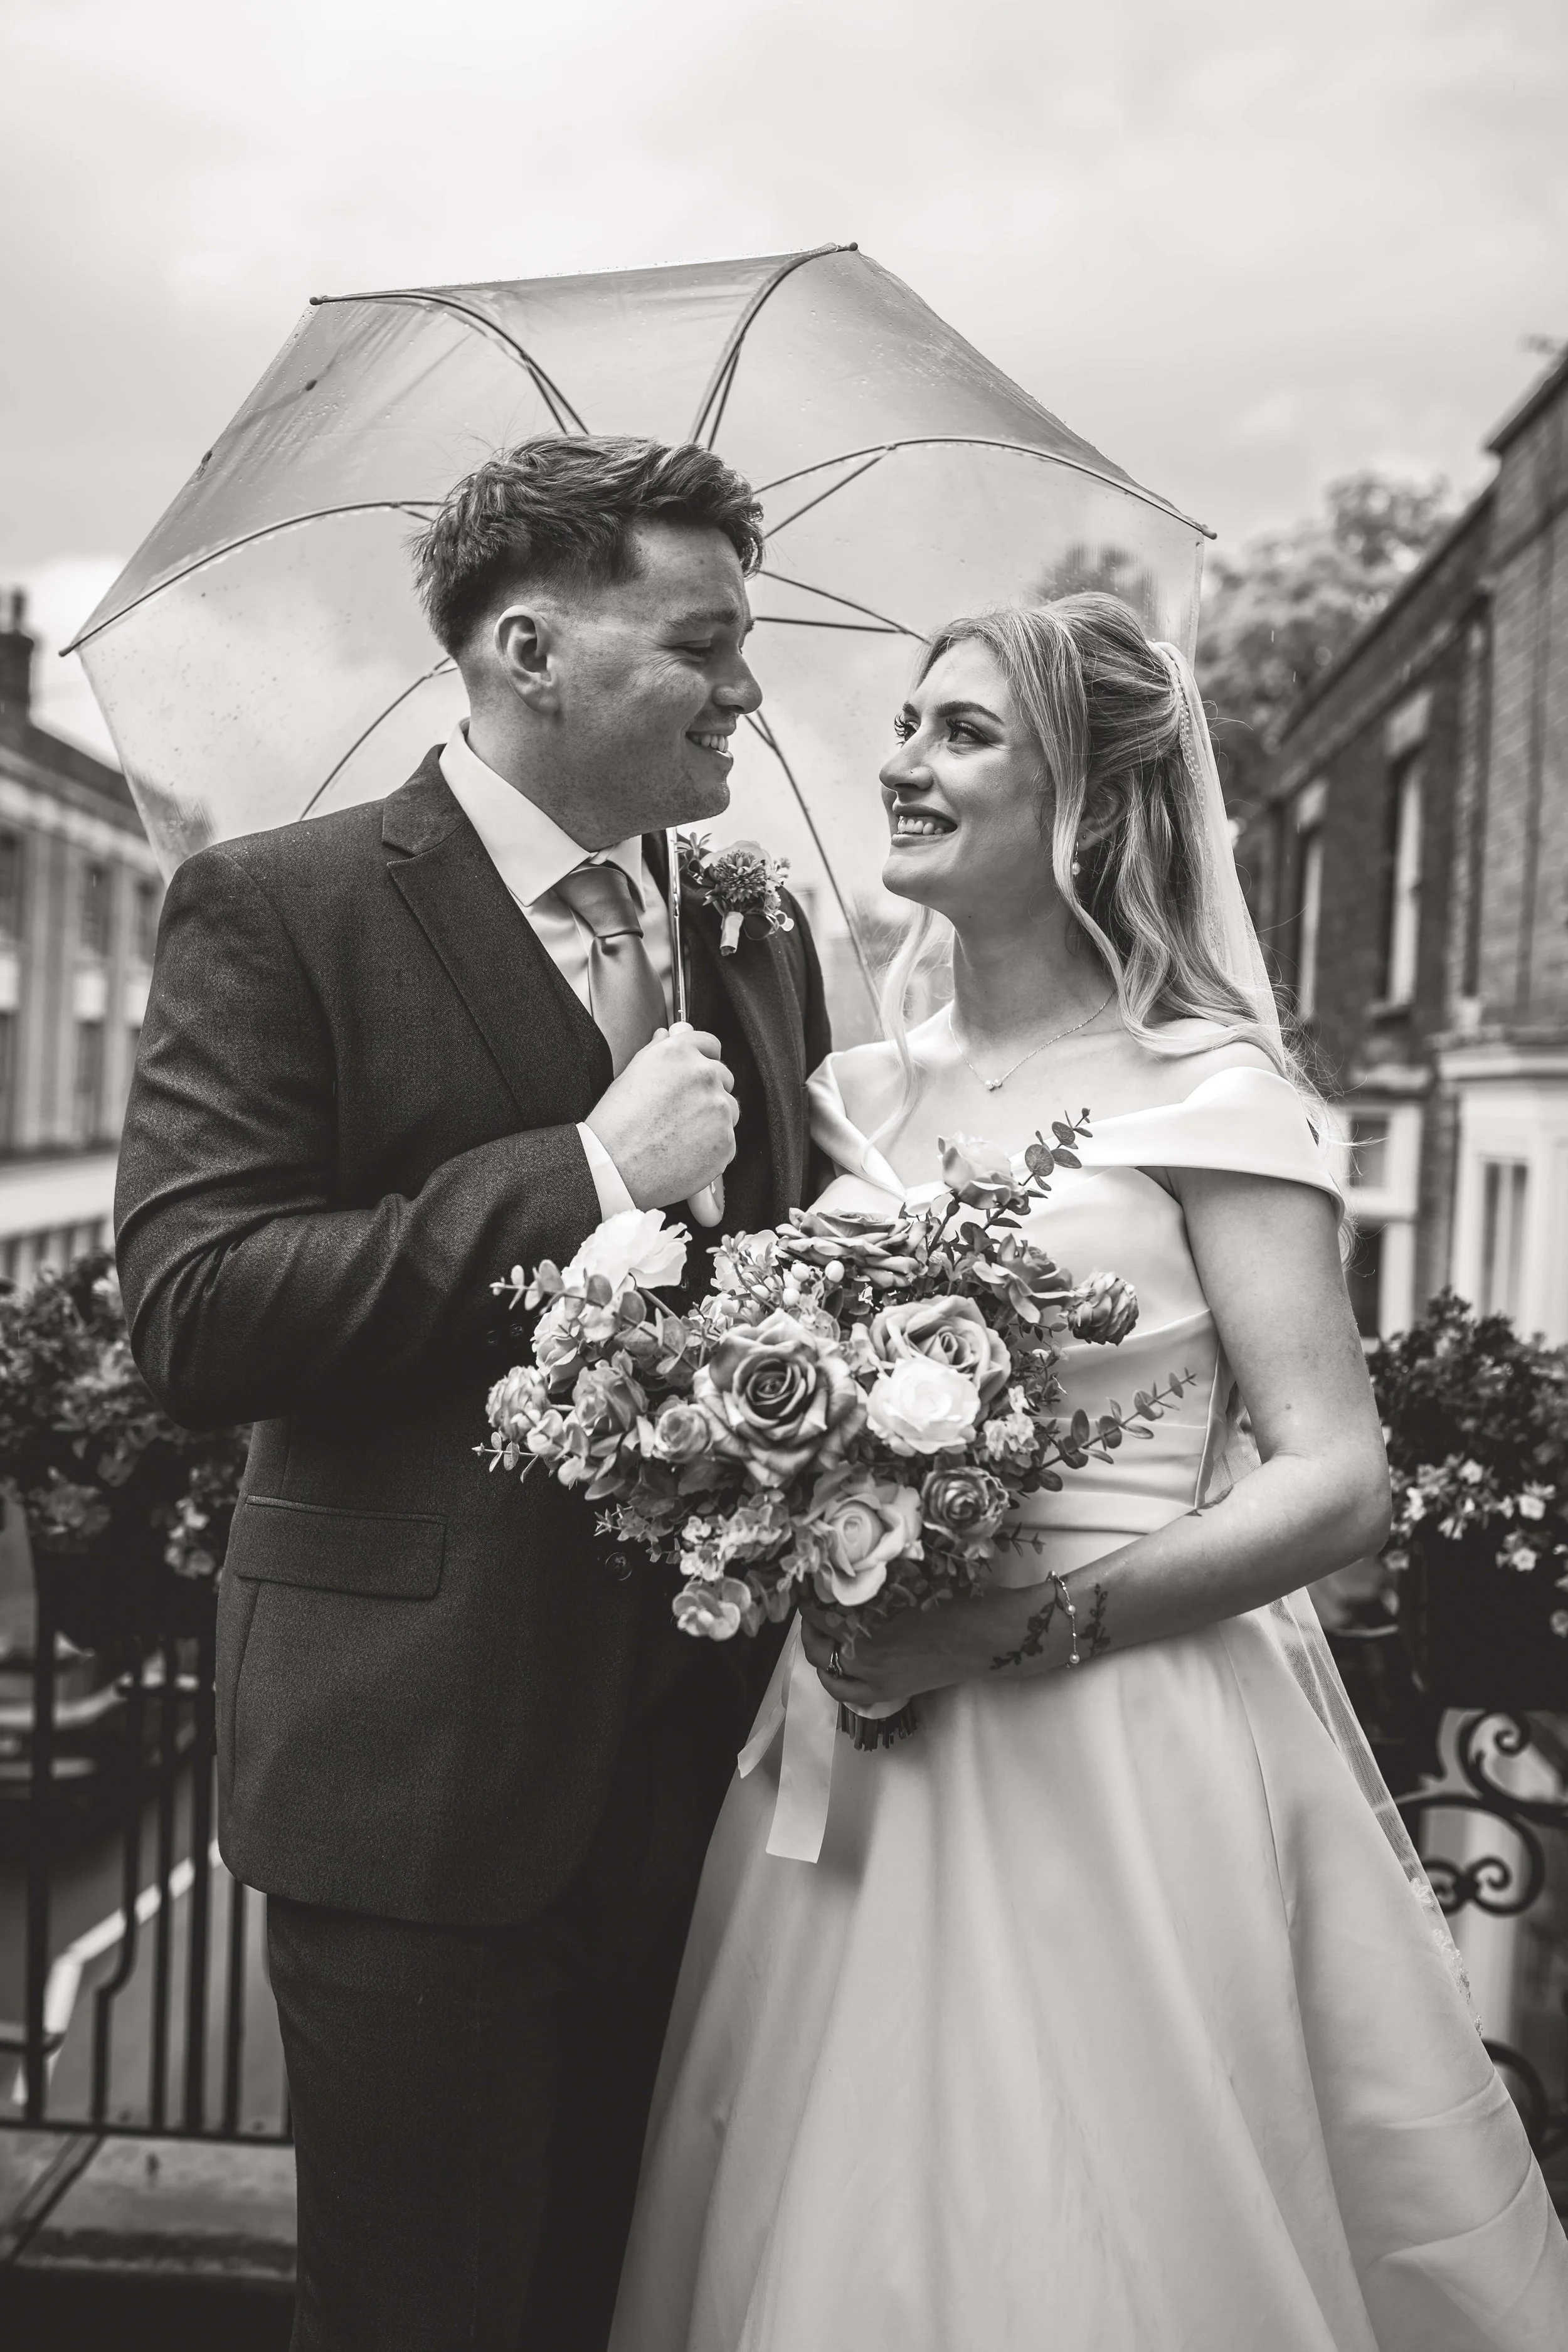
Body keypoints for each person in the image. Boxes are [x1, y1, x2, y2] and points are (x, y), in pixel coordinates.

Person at [609, 593, 1568, 2350]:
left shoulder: (1208, 1090)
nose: (901, 759)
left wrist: (1013, 1627)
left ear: (1093, 805)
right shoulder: (847, 1095)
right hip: (850, 1756)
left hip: (1105, 1746)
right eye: (904, 721)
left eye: (961, 731)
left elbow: (1335, 1480)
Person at [114, 435, 830, 2352]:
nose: (747, 688)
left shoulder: (746, 929)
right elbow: (195, 1310)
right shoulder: (280, 905)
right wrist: (581, 1172)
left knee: (633, 2291)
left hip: (701, 1763)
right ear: (527, 645)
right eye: (703, 642)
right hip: (414, 1778)